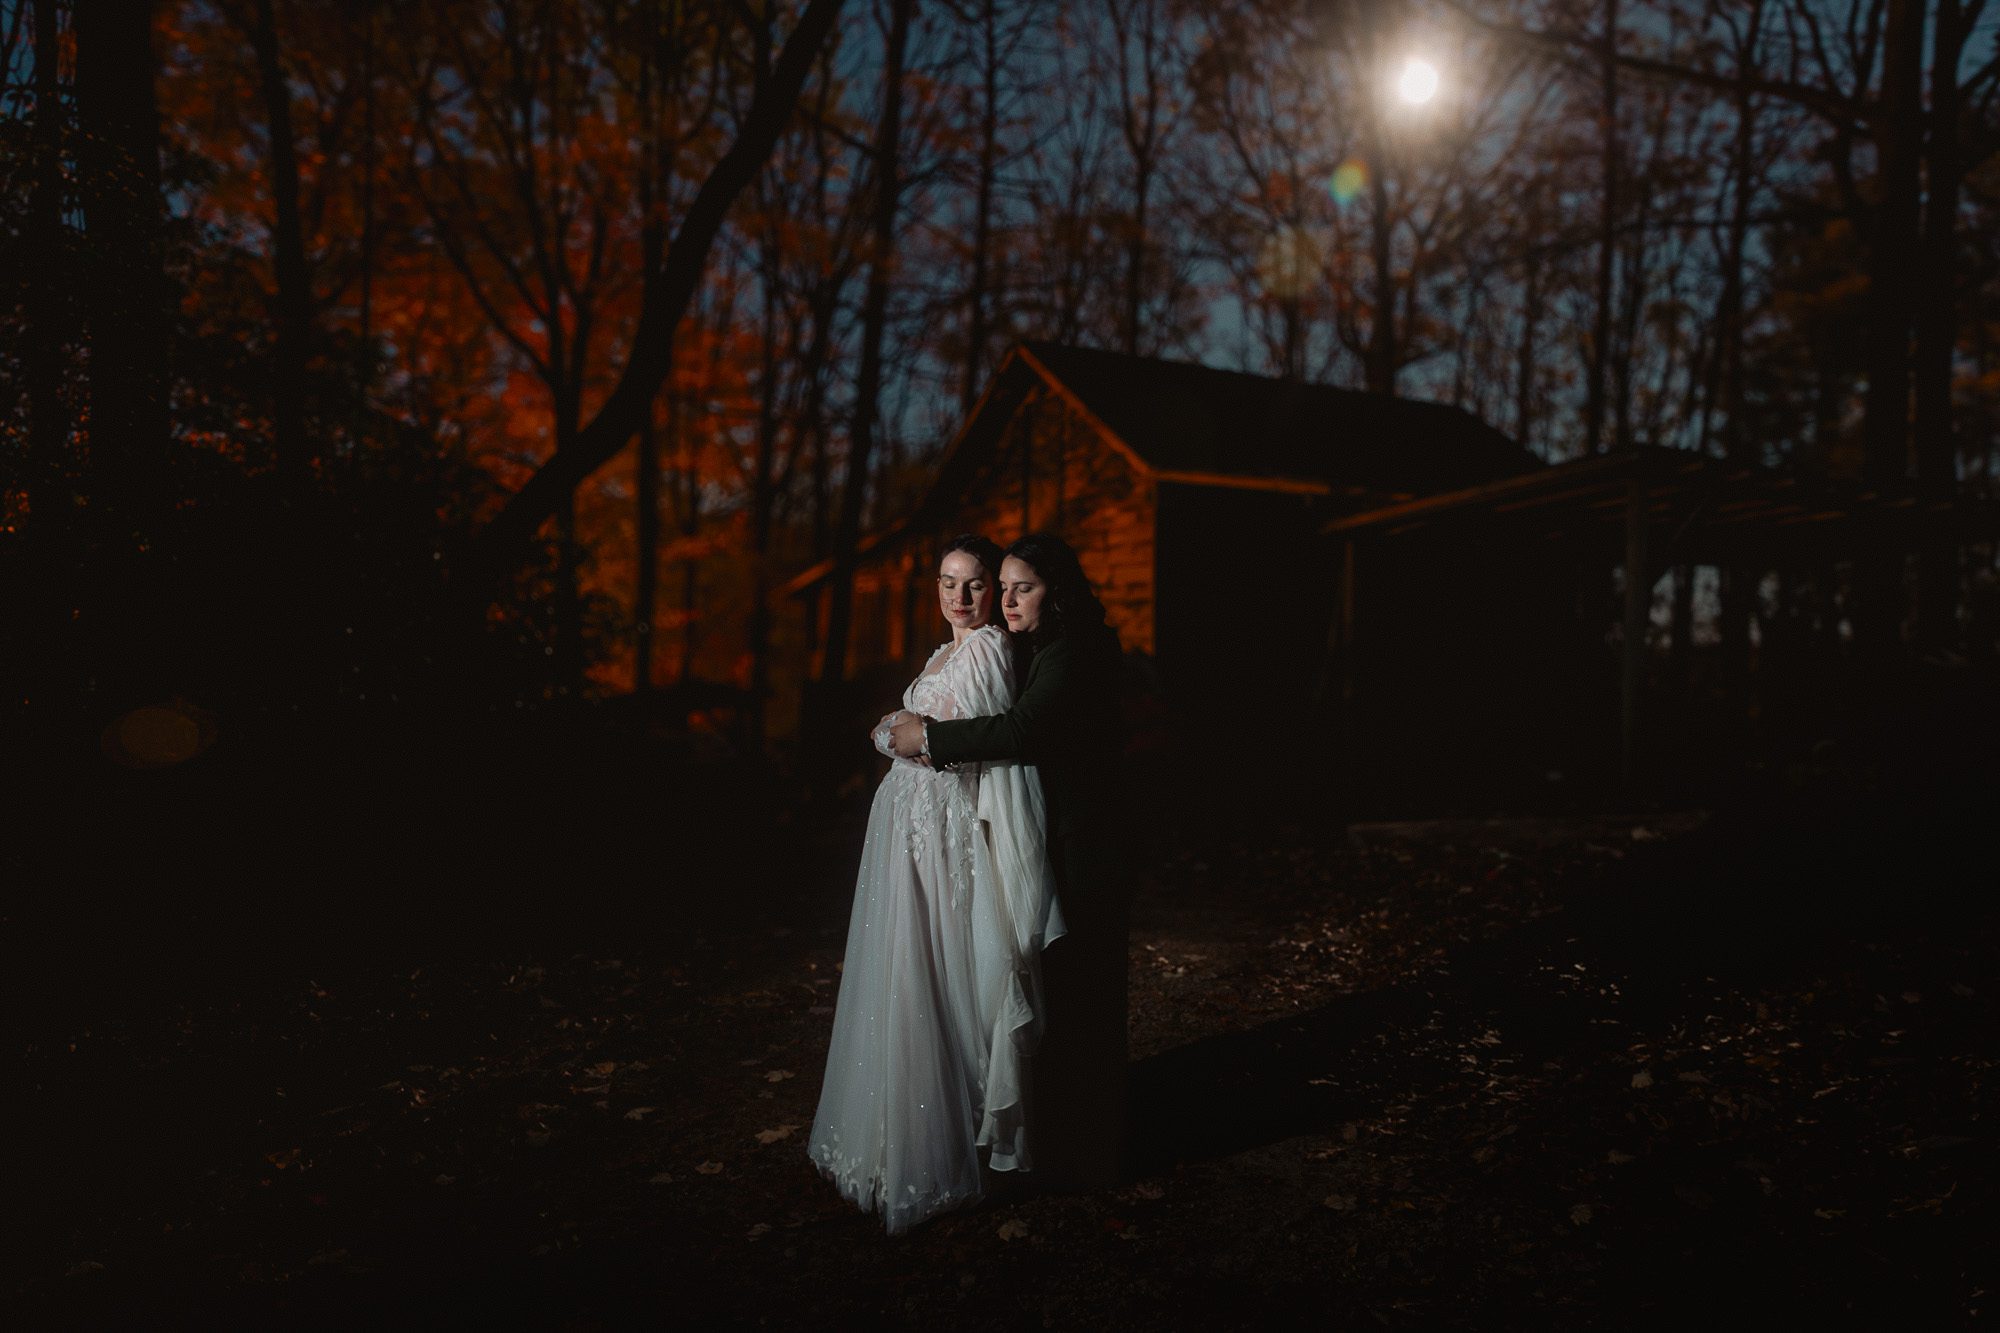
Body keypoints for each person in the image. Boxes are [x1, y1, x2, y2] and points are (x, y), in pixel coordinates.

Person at [807, 535, 1066, 1235]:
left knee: (938, 969)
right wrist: (895, 729)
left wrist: (900, 733)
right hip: (905, 834)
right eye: (949, 582)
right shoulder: (940, 652)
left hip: (942, 831)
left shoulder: (984, 651)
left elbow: (971, 745)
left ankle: (946, 1144)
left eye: (976, 584)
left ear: (991, 591)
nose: (961, 596)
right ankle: (893, 1131)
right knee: (902, 968)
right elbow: (903, 726)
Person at [889, 532, 1130, 1190]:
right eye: (1010, 586)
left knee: (1085, 994)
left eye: (1024, 587)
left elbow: (1021, 730)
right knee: (1062, 993)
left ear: (1056, 591)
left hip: (1089, 847)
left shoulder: (1072, 652)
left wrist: (929, 737)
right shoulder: (1035, 647)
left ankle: (1097, 1153)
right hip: (1066, 837)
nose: (1009, 598)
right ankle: (1068, 1141)